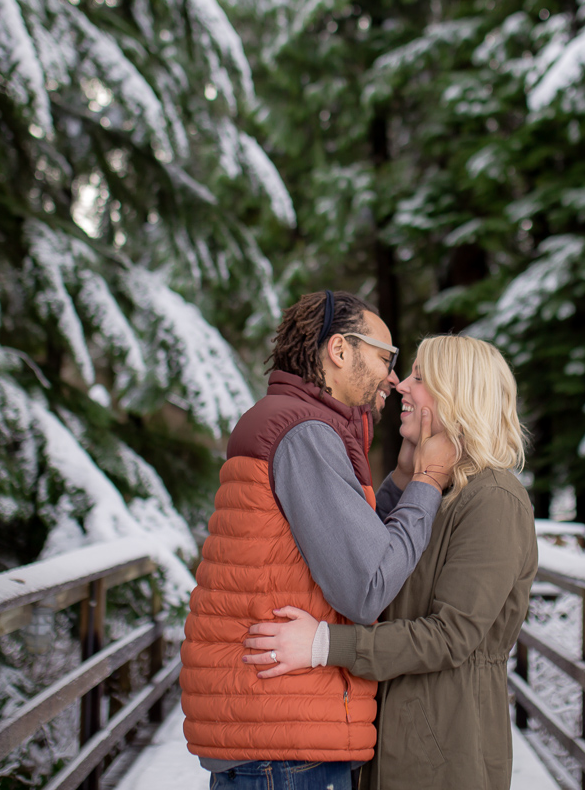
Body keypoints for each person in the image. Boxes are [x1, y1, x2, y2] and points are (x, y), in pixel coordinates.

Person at [180, 290, 456, 790]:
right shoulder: (305, 431)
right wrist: (430, 481)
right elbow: (367, 585)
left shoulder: (290, 421)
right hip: (284, 744)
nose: (393, 377)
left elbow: (342, 541)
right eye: (385, 356)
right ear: (339, 350)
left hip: (274, 733)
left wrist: (397, 481)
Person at [242, 335, 538, 790]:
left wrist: (324, 645)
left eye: (419, 378)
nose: (401, 386)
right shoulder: (439, 489)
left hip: (445, 752)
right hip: (391, 741)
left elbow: (451, 635)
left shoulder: (493, 498)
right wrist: (404, 481)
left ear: (455, 394)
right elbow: (375, 568)